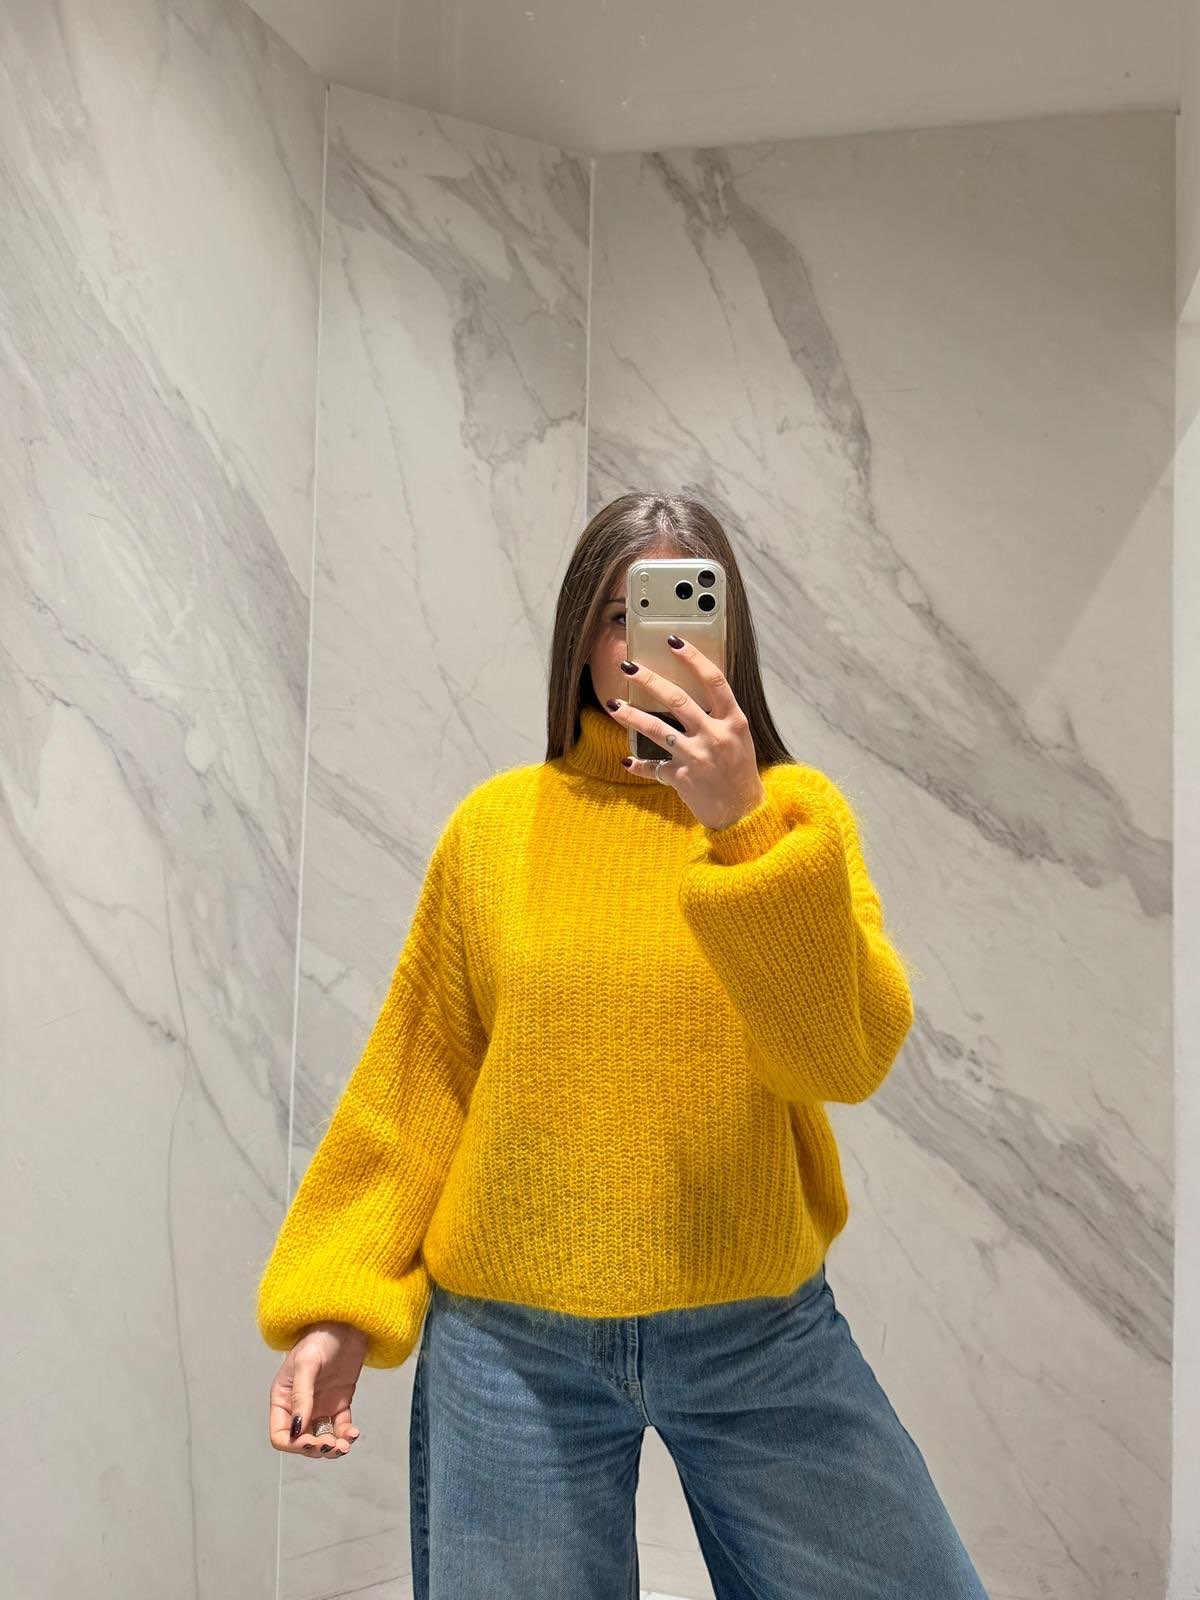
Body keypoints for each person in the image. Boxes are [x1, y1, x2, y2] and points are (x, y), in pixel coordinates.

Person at [256, 494, 989, 1599]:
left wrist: (740, 828)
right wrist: (338, 1307)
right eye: (618, 614)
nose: (646, 646)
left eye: (681, 611)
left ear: (729, 635)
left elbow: (839, 1061)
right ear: (580, 639)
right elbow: (419, 1083)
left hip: (757, 1334)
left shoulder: (796, 822)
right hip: (510, 1347)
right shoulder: (495, 829)